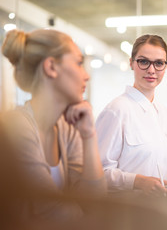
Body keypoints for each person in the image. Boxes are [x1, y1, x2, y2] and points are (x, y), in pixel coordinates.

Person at [1, 29, 106, 219]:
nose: (86, 75)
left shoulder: (67, 127)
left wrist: (89, 135)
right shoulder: (17, 127)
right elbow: (51, 212)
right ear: (51, 67)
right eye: (79, 63)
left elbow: (94, 201)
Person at [96, 34, 167, 197]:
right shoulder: (116, 111)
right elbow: (96, 174)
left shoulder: (166, 115)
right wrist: (137, 181)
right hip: (125, 208)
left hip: (159, 207)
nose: (151, 70)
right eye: (144, 61)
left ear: (165, 67)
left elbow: (162, 172)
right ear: (132, 63)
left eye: (159, 63)